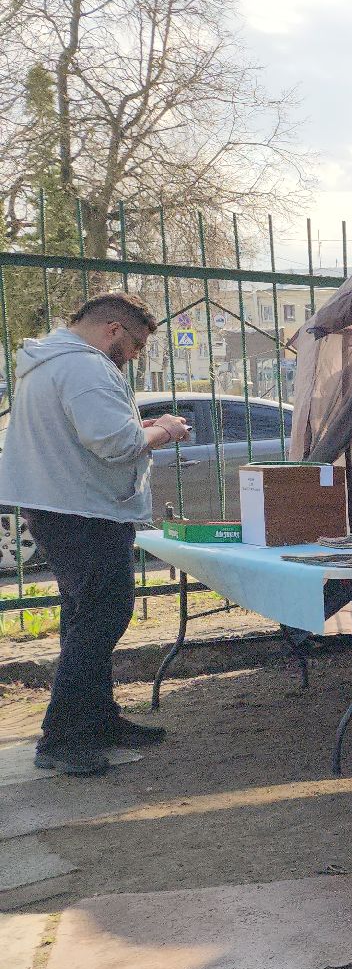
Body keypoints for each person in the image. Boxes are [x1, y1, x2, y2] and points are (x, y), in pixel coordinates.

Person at [0, 293, 187, 776]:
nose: (133, 358)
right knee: (100, 620)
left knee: (85, 619)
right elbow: (116, 444)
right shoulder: (85, 367)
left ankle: (99, 721)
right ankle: (62, 739)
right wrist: (163, 429)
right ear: (113, 330)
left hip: (61, 507)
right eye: (136, 345)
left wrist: (137, 427)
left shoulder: (47, 362)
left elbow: (85, 433)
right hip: (85, 514)